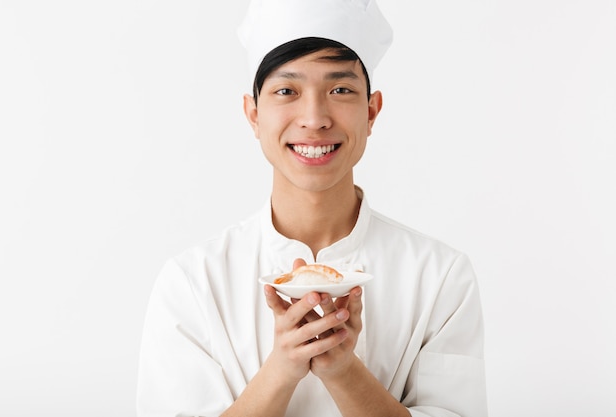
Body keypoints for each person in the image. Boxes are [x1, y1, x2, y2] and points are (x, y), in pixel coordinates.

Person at [136, 0, 488, 416]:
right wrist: (282, 370)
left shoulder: (439, 276)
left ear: (371, 112)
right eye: (287, 90)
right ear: (253, 115)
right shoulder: (193, 282)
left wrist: (343, 371)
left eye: (340, 90)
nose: (315, 117)